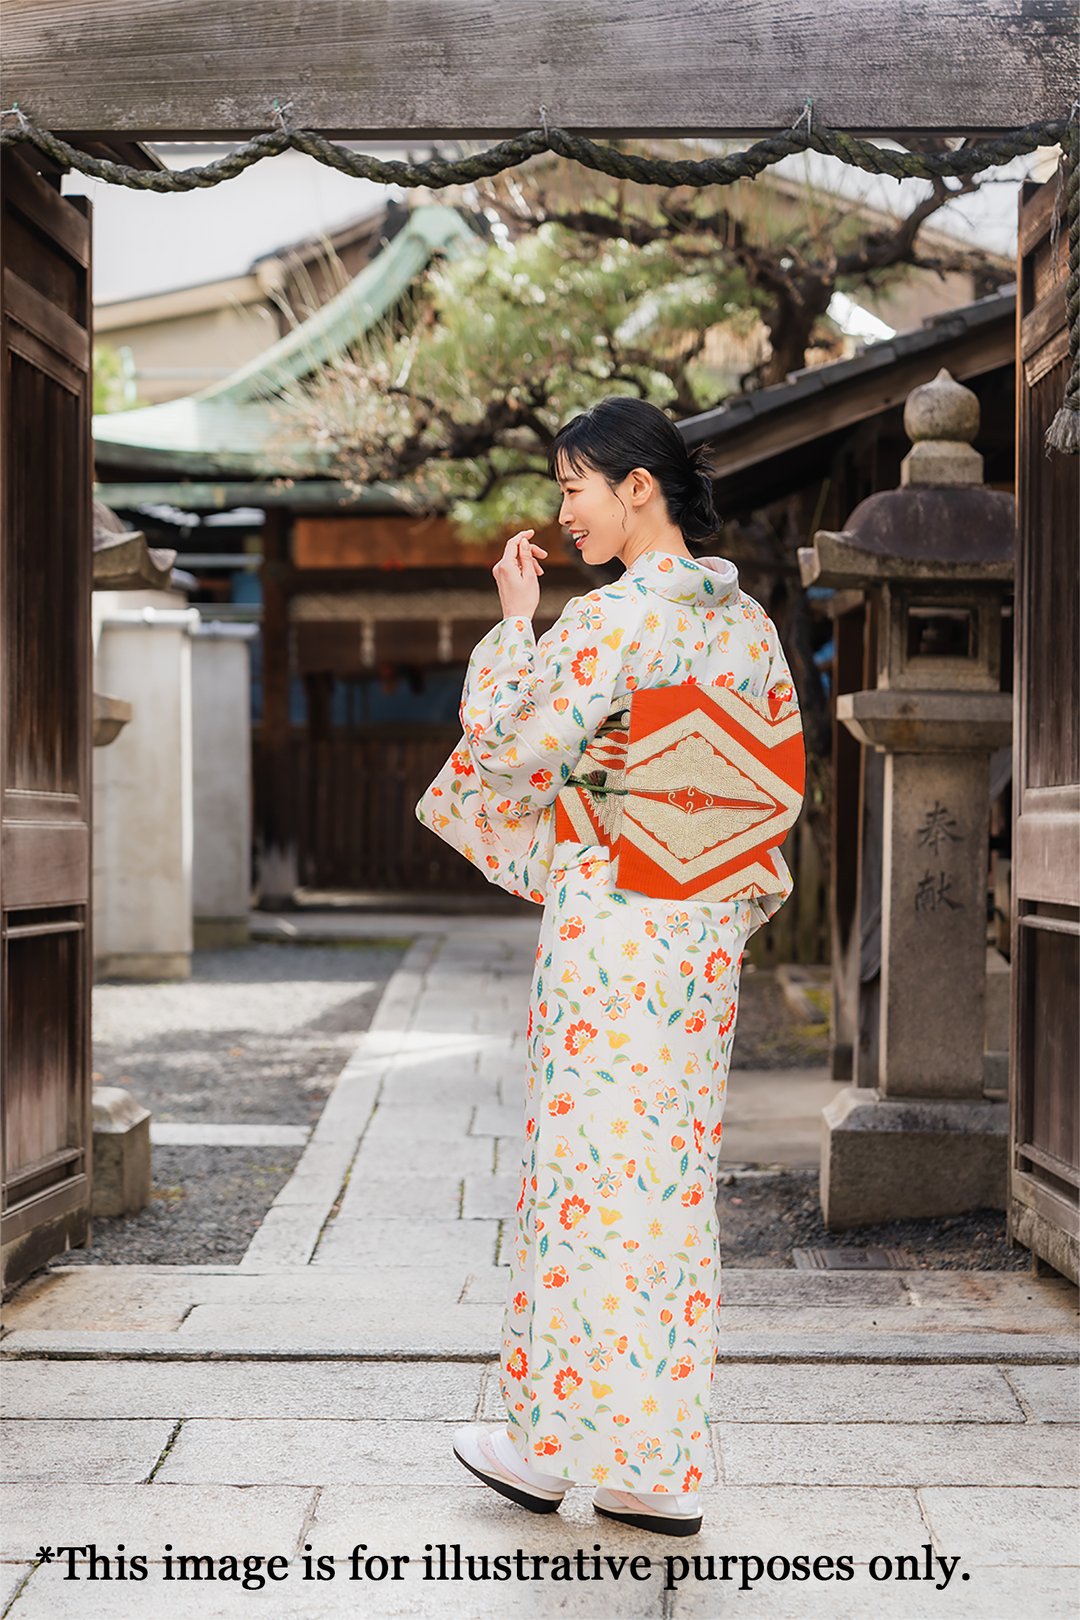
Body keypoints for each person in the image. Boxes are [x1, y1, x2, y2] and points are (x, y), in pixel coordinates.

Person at [416, 395, 801, 1536]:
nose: (565, 509)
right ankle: (655, 1468)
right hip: (694, 943)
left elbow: (507, 754)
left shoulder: (610, 622)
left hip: (612, 931)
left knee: (584, 1189)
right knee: (669, 1194)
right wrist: (709, 899)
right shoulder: (749, 629)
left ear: (640, 488)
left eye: (576, 484)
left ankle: (548, 1447)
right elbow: (770, 797)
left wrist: (514, 621)